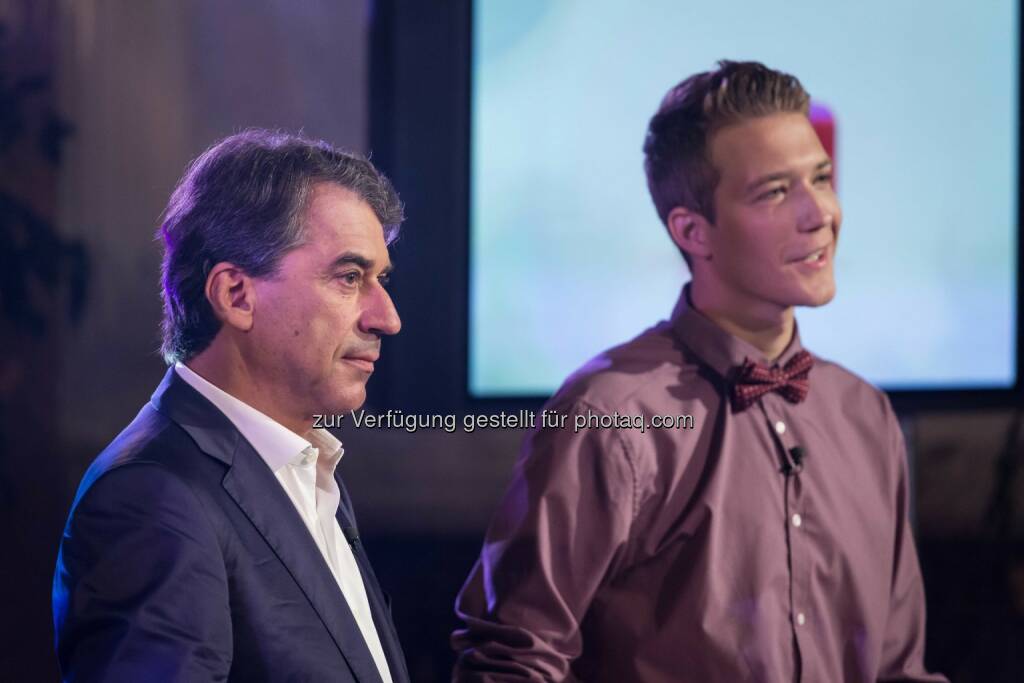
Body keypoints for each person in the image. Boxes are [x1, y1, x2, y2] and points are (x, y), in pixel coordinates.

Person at [452, 61, 947, 682]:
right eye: (774, 191)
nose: (819, 212)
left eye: (820, 178)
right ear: (692, 231)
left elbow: (900, 668)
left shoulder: (865, 415)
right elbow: (513, 659)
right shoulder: (611, 415)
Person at [53, 130, 410, 682]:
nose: (386, 318)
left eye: (379, 279)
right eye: (349, 277)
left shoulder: (304, 467)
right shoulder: (151, 497)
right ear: (235, 295)